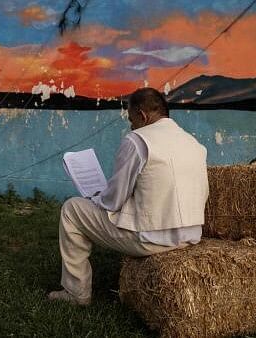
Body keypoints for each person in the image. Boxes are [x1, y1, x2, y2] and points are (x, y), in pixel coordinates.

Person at [48, 87, 209, 305]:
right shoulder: (194, 144)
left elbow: (113, 200)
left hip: (152, 238)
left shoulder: (137, 140)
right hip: (190, 235)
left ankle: (77, 293)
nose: (131, 125)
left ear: (142, 115)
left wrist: (95, 196)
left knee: (72, 209)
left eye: (131, 119)